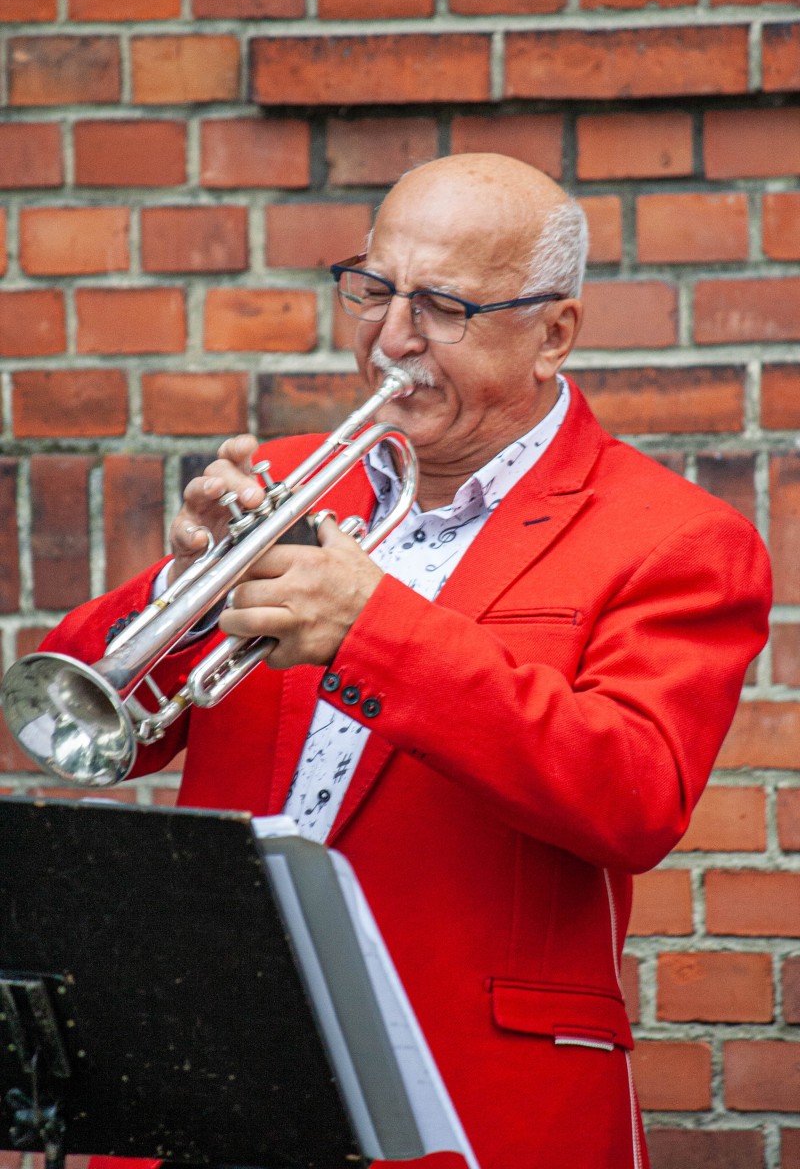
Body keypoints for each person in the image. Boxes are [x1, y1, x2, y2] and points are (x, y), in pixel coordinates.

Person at [41, 154, 771, 1169]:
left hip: (468, 1086)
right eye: (374, 290)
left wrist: (373, 628)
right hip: (212, 1059)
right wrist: (185, 581)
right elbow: (83, 716)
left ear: (554, 333)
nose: (391, 337)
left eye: (442, 307)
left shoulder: (673, 538)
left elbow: (634, 797)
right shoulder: (290, 479)